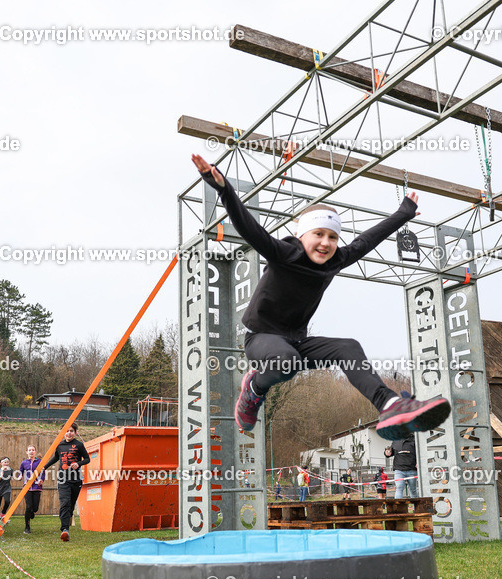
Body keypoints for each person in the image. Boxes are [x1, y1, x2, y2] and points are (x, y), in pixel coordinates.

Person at [191, 155, 450, 441]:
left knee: (348, 348)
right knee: (284, 360)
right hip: (262, 340)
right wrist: (224, 189)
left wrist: (403, 213)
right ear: (301, 235)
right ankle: (253, 389)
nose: (326, 243)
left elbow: (368, 240)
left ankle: (389, 404)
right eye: (318, 234)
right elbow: (249, 228)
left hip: (297, 343)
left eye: (332, 237)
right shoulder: (283, 253)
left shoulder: (336, 259)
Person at [44, 423, 90, 542]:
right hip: (63, 479)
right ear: (63, 432)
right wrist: (44, 467)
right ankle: (65, 529)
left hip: (76, 480)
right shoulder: (59, 445)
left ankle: (67, 523)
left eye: (71, 431)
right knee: (64, 502)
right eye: (67, 431)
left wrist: (78, 464)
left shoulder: (79, 445)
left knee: (71, 504)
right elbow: (56, 458)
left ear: (75, 432)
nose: (69, 433)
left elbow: (87, 459)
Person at [19, 444, 45, 534]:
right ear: (27, 452)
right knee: (28, 506)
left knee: (35, 508)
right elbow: (20, 471)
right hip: (27, 487)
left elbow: (43, 473)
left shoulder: (39, 462)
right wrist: (20, 477)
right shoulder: (24, 462)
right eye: (29, 450)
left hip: (37, 486)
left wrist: (41, 480)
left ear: (35, 452)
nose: (31, 451)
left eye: (33, 450)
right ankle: (27, 527)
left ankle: (33, 512)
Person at [0, 457, 12, 525]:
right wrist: (1, 476)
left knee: (7, 501)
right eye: (5, 462)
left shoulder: (10, 470)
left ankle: (3, 513)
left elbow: (11, 477)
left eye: (7, 462)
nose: (6, 463)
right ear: (1, 463)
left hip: (7, 488)